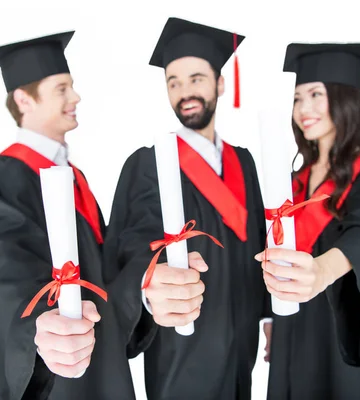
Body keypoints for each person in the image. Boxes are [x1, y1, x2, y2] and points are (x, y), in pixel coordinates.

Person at [103, 17, 271, 400]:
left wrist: (268, 316)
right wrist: (149, 284)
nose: (184, 92)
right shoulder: (150, 163)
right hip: (180, 349)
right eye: (173, 82)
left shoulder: (243, 162)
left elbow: (258, 242)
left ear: (220, 83)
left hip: (241, 346)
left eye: (196, 78)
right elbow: (133, 242)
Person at [0, 31, 135, 400]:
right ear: (24, 99)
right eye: (61, 88)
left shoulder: (75, 178)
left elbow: (106, 277)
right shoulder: (1, 179)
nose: (76, 97)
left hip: (107, 369)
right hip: (59, 381)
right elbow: (2, 279)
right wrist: (39, 330)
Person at [256, 43, 360, 399]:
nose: (304, 109)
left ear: (347, 99)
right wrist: (270, 320)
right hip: (293, 334)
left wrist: (324, 270)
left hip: (348, 335)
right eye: (297, 98)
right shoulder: (292, 185)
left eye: (316, 94)